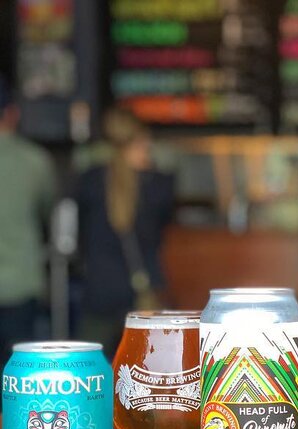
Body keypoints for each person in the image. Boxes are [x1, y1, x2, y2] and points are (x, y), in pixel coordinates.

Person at [75, 108, 174, 355]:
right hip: (141, 296)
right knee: (146, 367)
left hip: (99, 291)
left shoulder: (89, 182)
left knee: (89, 364)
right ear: (139, 142)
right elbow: (162, 235)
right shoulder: (158, 186)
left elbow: (79, 238)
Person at [0, 75, 57, 366]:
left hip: (20, 284)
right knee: (17, 371)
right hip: (21, 284)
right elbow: (49, 212)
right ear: (12, 113)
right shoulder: (35, 161)